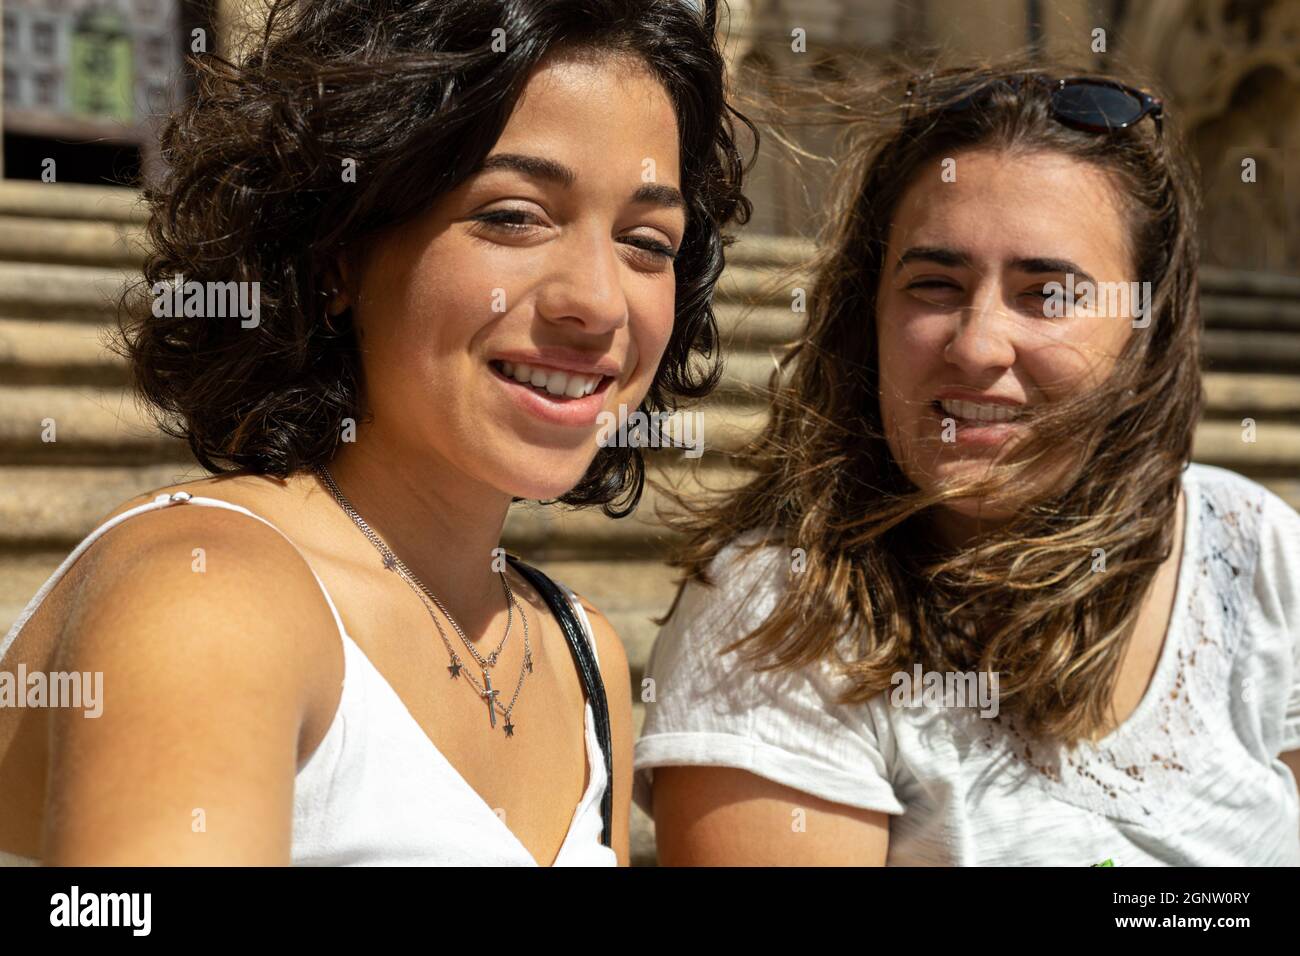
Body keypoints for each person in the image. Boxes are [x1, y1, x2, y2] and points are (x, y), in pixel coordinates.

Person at [0, 0, 752, 866]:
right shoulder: (209, 594)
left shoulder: (584, 657)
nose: (597, 300)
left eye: (646, 241)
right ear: (339, 260)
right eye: (512, 215)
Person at [635, 59, 1300, 865]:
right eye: (935, 284)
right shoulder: (779, 618)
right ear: (866, 312)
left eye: (1047, 294)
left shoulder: (1253, 550)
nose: (979, 344)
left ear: (1144, 333)